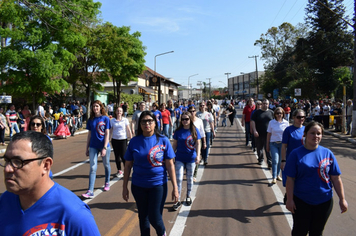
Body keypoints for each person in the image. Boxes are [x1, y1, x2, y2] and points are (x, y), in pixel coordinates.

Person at [0, 131, 100, 235]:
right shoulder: (5, 201)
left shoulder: (74, 214)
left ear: (46, 165)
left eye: (18, 162)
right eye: (7, 160)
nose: (7, 169)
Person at [284, 121, 348, 235]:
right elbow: (290, 180)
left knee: (317, 232)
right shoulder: (296, 154)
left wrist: (342, 199)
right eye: (312, 133)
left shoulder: (327, 153)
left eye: (319, 133)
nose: (316, 136)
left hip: (324, 201)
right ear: (305, 134)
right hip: (301, 201)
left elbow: (336, 178)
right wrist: (289, 200)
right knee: (300, 231)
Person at [122, 111, 178, 236]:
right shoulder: (134, 142)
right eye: (144, 121)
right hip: (138, 186)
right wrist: (124, 187)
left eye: (150, 121)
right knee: (143, 217)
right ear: (140, 124)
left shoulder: (163, 141)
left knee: (155, 217)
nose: (147, 124)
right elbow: (127, 166)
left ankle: (162, 233)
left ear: (155, 123)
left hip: (158, 185)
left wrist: (175, 187)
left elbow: (170, 165)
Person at [82, 100, 111, 199]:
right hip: (93, 146)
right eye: (94, 106)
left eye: (97, 106)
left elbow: (107, 133)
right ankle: (90, 190)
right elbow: (89, 135)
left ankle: (107, 182)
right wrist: (87, 148)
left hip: (104, 145)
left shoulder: (105, 118)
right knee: (92, 168)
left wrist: (105, 147)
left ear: (100, 107)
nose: (95, 108)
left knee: (106, 164)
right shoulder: (91, 120)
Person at [172, 111, 201, 211]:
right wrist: (171, 155)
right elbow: (174, 144)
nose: (185, 121)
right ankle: (177, 199)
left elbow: (198, 143)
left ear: (190, 119)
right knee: (179, 179)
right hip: (179, 157)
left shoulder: (194, 130)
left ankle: (188, 196)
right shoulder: (178, 131)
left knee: (189, 178)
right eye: (183, 119)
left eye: (186, 119)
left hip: (190, 158)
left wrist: (198, 155)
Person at [280, 109, 306, 190]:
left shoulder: (307, 129)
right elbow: (284, 146)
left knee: (302, 183)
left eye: (303, 117)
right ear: (294, 118)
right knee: (290, 183)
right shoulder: (288, 130)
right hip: (291, 160)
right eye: (299, 117)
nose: (301, 119)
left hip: (304, 161)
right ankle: (288, 198)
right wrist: (283, 161)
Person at [266, 107, 289, 184]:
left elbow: (287, 135)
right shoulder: (271, 122)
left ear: (283, 114)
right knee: (275, 160)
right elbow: (269, 134)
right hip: (273, 144)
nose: (279, 114)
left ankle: (278, 175)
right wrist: (267, 145)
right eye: (277, 113)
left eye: (281, 113)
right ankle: (274, 177)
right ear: (275, 114)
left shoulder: (286, 123)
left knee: (280, 160)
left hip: (283, 144)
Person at [251, 99, 274, 167]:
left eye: (266, 104)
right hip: (258, 134)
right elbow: (252, 121)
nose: (265, 105)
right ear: (261, 104)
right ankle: (260, 159)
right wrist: (254, 130)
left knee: (268, 148)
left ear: (268, 104)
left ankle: (269, 161)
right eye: (263, 103)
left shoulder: (271, 112)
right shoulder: (257, 112)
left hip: (268, 134)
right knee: (259, 148)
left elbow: (275, 123)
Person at [110, 106, 132, 178]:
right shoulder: (112, 120)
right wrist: (108, 139)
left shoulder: (125, 120)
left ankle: (127, 168)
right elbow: (110, 131)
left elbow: (128, 129)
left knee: (123, 155)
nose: (119, 112)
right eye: (117, 111)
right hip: (115, 140)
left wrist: (131, 138)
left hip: (123, 139)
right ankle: (119, 170)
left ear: (122, 112)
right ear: (115, 112)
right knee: (117, 156)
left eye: (120, 111)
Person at [188, 106, 206, 182]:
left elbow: (202, 132)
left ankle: (194, 175)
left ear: (195, 111)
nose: (192, 112)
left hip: (197, 141)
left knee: (197, 156)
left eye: (193, 111)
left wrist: (204, 142)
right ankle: (189, 171)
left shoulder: (199, 121)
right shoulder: (186, 120)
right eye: (190, 111)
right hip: (188, 141)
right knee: (189, 156)